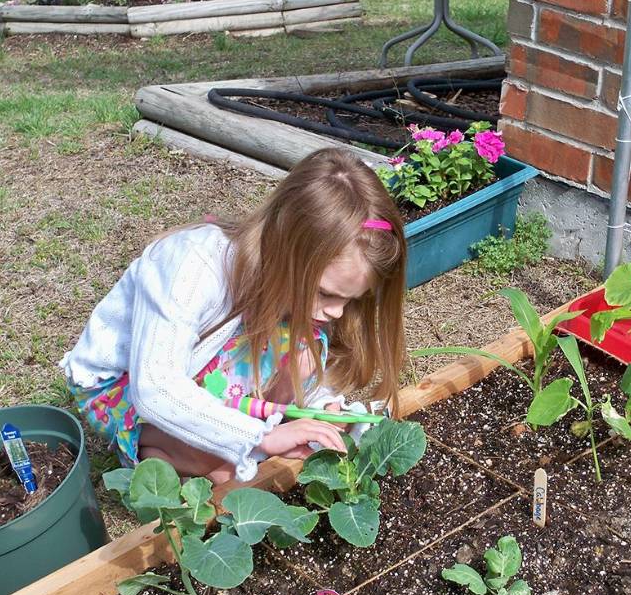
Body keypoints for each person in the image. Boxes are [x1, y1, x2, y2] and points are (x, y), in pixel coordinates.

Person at [59, 148, 407, 485]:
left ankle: (212, 443)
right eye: (325, 293)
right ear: (285, 249)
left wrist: (319, 405)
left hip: (211, 365)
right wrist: (260, 439)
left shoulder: (287, 280)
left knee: (302, 359)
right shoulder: (191, 265)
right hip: (128, 383)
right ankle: (158, 449)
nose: (336, 312)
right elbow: (156, 387)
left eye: (351, 300)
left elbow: (300, 368)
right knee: (222, 466)